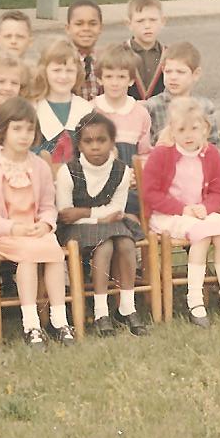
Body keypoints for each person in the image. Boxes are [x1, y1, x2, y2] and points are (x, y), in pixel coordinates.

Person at [0, 97, 75, 349]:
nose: (24, 135)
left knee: (53, 252)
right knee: (29, 254)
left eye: (29, 129)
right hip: (1, 233)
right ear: (1, 130)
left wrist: (46, 224)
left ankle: (59, 319)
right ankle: (31, 324)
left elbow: (49, 206)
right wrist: (11, 228)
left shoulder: (38, 166)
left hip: (34, 230)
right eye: (17, 129)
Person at [140, 96, 220, 327]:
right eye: (182, 129)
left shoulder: (211, 153)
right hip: (168, 215)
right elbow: (150, 193)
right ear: (172, 130)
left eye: (194, 128)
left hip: (199, 212)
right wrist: (182, 209)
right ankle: (195, 300)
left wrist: (205, 208)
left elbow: (218, 191)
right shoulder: (161, 155)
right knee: (203, 235)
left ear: (205, 128)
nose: (188, 134)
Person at [54, 112, 148, 337]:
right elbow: (65, 214)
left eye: (101, 140)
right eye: (88, 141)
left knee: (126, 243)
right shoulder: (69, 171)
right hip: (74, 230)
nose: (95, 146)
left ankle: (127, 307)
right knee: (104, 245)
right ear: (79, 144)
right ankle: (100, 311)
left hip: (111, 225)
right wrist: (97, 216)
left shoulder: (121, 171)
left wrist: (85, 213)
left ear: (112, 142)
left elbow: (117, 210)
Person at [28, 38, 94, 171]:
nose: (63, 76)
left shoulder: (86, 110)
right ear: (44, 72)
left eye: (69, 70)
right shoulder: (33, 110)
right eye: (57, 70)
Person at [92, 45, 153, 167]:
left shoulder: (140, 113)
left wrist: (137, 174)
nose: (115, 83)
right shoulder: (90, 110)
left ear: (131, 80)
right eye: (109, 76)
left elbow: (144, 153)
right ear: (99, 79)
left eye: (121, 77)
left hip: (130, 181)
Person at [145, 42, 216, 139]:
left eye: (180, 72)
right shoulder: (152, 106)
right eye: (168, 71)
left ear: (196, 74)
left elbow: (212, 143)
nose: (173, 77)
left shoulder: (205, 107)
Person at [124, 0, 168, 101]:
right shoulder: (119, 53)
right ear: (129, 24)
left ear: (163, 22)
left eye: (153, 20)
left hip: (161, 114)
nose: (147, 26)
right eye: (140, 21)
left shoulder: (169, 54)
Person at [64, 0, 104, 101]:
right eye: (79, 24)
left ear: (101, 28)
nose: (86, 28)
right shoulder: (60, 61)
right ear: (68, 28)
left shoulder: (106, 61)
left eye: (92, 24)